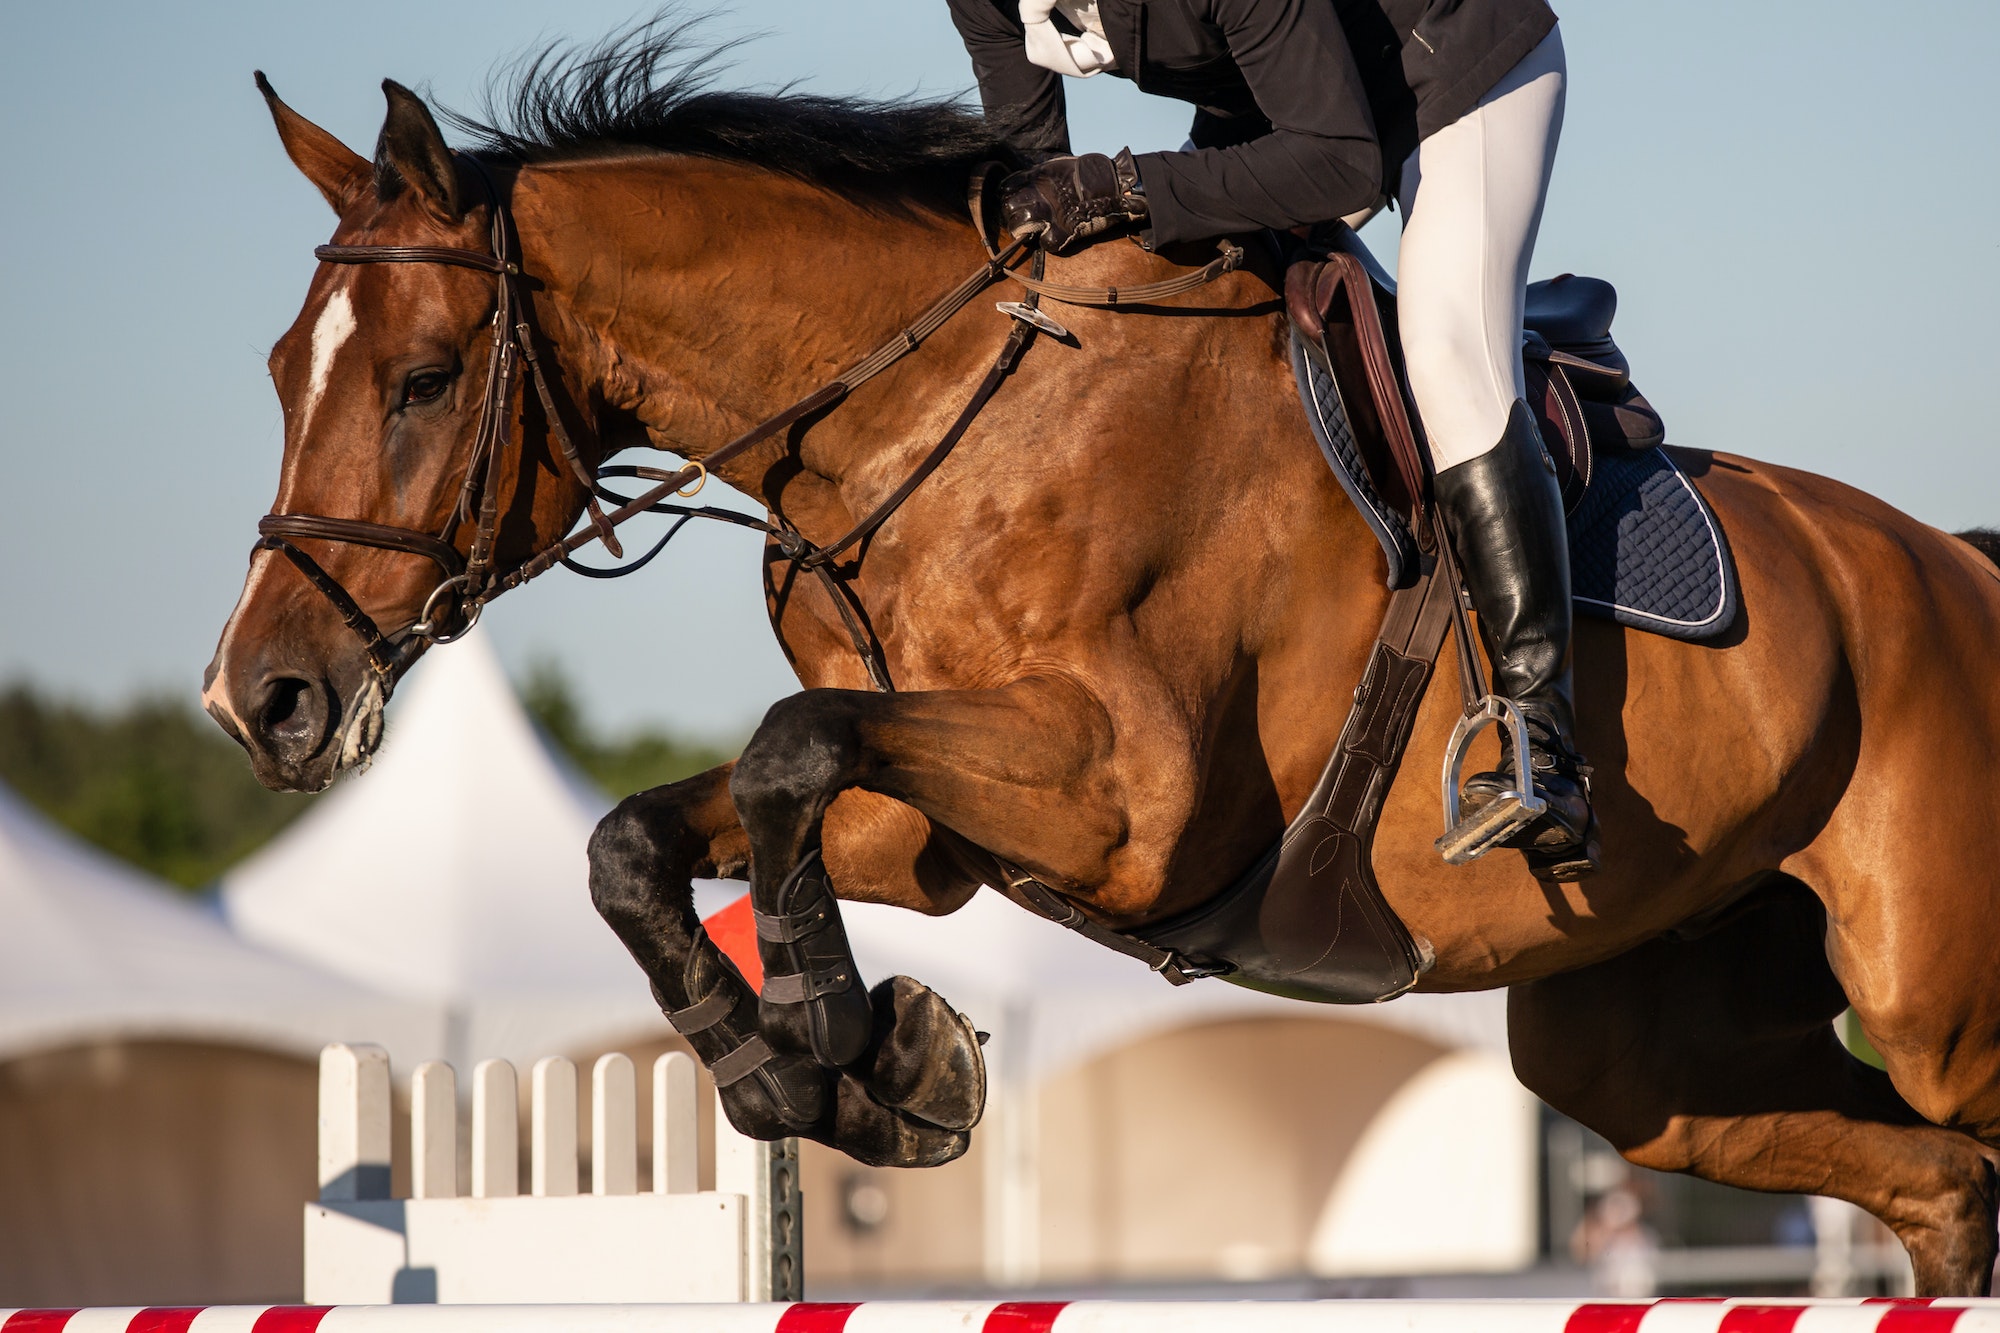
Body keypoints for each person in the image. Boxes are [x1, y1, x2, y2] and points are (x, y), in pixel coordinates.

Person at [947, 0, 1596, 878]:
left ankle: (1540, 741)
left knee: (1445, 346)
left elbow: (1340, 165)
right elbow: (1031, 171)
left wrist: (1127, 185)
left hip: (1452, 69)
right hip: (1286, 91)